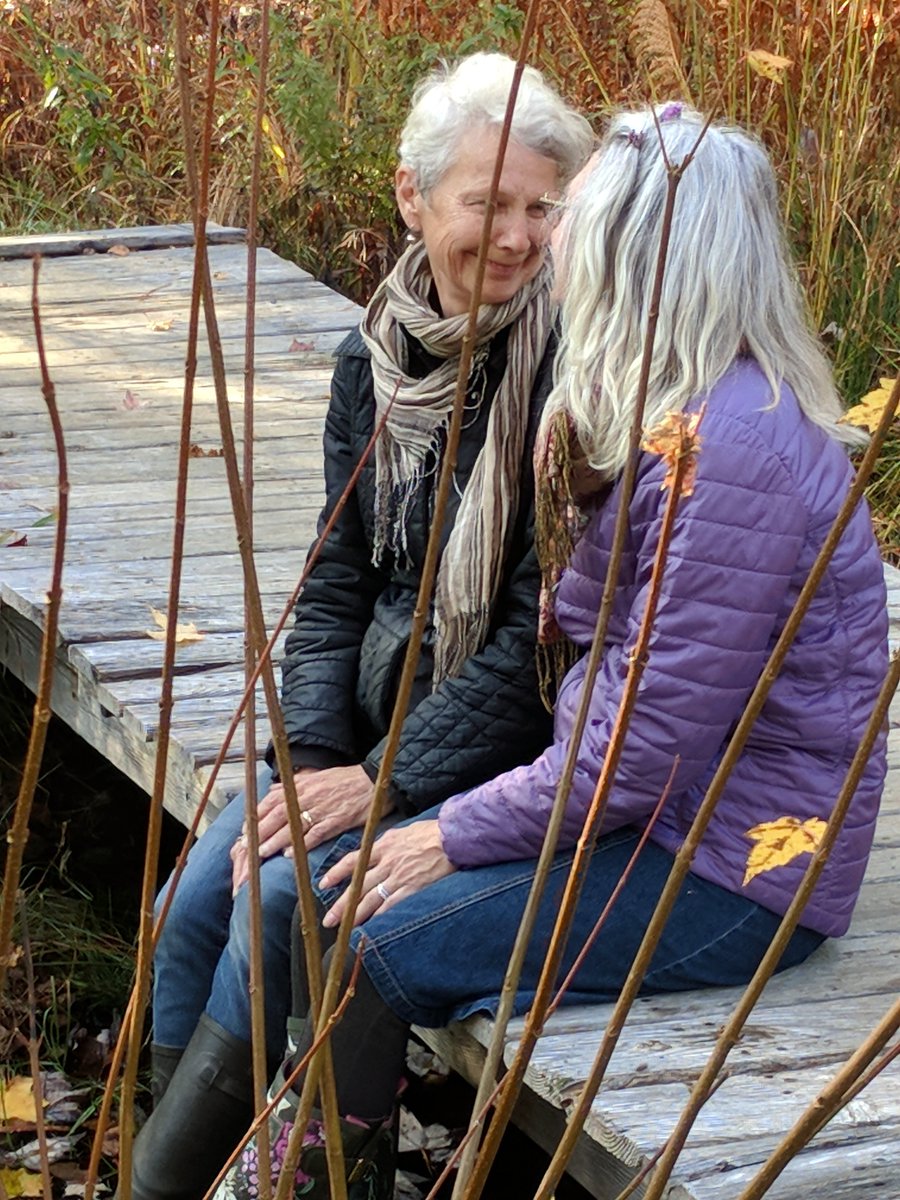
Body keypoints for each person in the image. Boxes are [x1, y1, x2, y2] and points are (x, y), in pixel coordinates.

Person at [216, 103, 890, 1199]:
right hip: (655, 819)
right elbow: (596, 651)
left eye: (576, 223)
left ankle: (312, 1174)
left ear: (640, 255)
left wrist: (449, 837)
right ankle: (312, 1159)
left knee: (370, 928)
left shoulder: (733, 455)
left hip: (732, 871)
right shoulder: (676, 414)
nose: (551, 247)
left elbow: (637, 756)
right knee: (330, 888)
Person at [124, 51, 594, 1200]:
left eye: (543, 207)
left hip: (499, 754)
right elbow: (336, 585)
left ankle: (310, 1178)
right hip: (380, 736)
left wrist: (377, 782)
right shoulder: (375, 358)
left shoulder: (576, 385)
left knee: (289, 898)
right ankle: (157, 1177)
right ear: (411, 195)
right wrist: (318, 760)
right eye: (487, 202)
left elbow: (544, 642)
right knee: (200, 890)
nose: (520, 237)